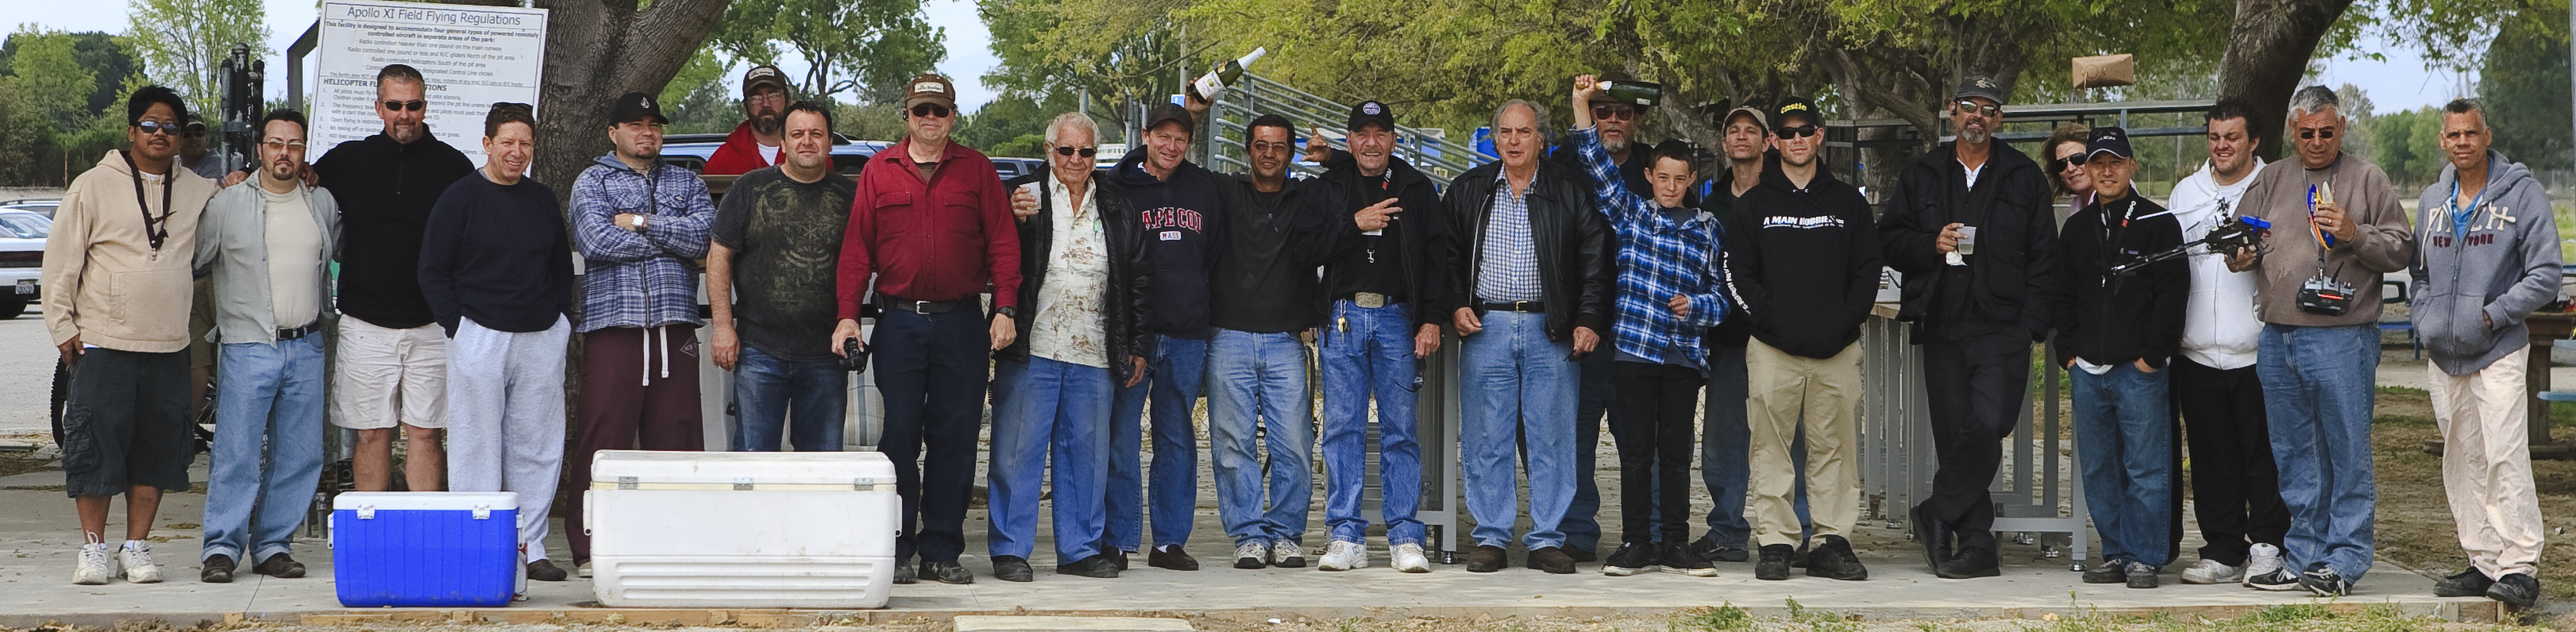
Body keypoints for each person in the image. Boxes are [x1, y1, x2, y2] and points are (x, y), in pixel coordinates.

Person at [831, 73, 1021, 586]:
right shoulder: (879, 171)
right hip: (900, 324)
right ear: (907, 115)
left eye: (939, 111)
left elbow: (1004, 243)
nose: (930, 119)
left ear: (953, 116)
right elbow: (856, 251)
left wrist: (1005, 306)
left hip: (962, 323)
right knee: (898, 437)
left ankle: (941, 550)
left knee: (955, 440)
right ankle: (894, 547)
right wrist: (847, 314)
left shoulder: (977, 170)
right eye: (921, 111)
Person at [2227, 85, 2415, 596]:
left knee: (2347, 451)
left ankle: (2347, 557)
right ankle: (2305, 553)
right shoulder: (2272, 177)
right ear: (2293, 130)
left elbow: (2401, 248)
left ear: (2342, 129)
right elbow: (2241, 240)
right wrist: (2240, 255)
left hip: (2342, 337)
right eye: (2307, 132)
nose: (2316, 141)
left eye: (2326, 132)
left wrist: (2355, 234)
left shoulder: (2367, 178)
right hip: (2279, 335)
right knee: (2294, 453)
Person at [1876, 75, 2057, 580]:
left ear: (1999, 119)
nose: (1977, 115)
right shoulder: (1923, 173)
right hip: (1941, 323)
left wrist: (2031, 326)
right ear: (1952, 111)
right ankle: (1977, 544)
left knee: (1990, 421)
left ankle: (1935, 511)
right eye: (1969, 106)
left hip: (2003, 327)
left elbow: (2045, 256)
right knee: (1956, 434)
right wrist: (1930, 243)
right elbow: (1889, 239)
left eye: (1988, 108)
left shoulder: (2024, 176)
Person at [44, 86, 220, 585]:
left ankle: (137, 546)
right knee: (94, 448)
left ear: (181, 137)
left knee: (156, 451)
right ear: (131, 131)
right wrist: (62, 326)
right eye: (150, 125)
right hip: (103, 343)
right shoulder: (93, 185)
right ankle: (94, 549)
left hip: (169, 345)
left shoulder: (198, 190)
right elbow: (60, 262)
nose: (160, 134)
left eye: (171, 127)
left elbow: (245, 198)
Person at [1569, 74, 1727, 578]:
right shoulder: (1632, 215)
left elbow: (1722, 298)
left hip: (1683, 357)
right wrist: (1581, 104)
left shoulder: (1708, 230)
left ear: (1692, 180)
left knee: (1676, 454)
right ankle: (1636, 542)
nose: (1671, 187)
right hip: (1635, 350)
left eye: (1680, 179)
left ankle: (1675, 543)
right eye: (1663, 178)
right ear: (1650, 177)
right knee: (1635, 453)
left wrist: (1695, 307)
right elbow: (1596, 165)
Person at [1444, 99, 1610, 575]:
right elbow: (1446, 257)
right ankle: (1491, 537)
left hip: (1549, 328)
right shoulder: (1468, 190)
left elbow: (1595, 259)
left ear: (1541, 140)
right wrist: (1455, 303)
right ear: (1495, 138)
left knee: (1552, 438)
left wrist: (1588, 318)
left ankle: (1547, 539)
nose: (1514, 141)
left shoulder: (1569, 190)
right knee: (1486, 438)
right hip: (1487, 327)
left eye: (1524, 132)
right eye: (1505, 132)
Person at [418, 102, 577, 585]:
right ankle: (478, 545)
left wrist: (560, 322)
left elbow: (560, 267)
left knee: (537, 443)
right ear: (487, 144)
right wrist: (458, 327)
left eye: (525, 143)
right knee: (476, 443)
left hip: (540, 335)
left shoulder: (542, 199)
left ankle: (531, 546)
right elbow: (432, 270)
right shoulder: (459, 199)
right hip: (479, 334)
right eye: (507, 142)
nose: (516, 151)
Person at [989, 112, 1153, 581]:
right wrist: (1015, 217)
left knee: (1087, 455)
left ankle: (1079, 549)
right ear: (1049, 151)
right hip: (1033, 344)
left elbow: (1139, 280)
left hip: (1095, 348)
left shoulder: (1117, 205)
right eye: (1066, 150)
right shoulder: (1024, 196)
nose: (1076, 159)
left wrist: (1138, 343)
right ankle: (1010, 550)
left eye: (1086, 151)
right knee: (1017, 453)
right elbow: (996, 253)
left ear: (1096, 155)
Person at [1724, 96, 1880, 582]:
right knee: (1769, 448)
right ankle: (1776, 543)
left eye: (1805, 130)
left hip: (1837, 350)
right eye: (1787, 131)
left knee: (1834, 448)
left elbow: (1868, 270)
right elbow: (1737, 274)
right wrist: (1773, 322)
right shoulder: (1753, 205)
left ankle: (1832, 541)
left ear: (1819, 136)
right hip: (1773, 350)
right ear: (1774, 141)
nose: (1796, 139)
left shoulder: (1848, 202)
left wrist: (1844, 321)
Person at [565, 92, 719, 576]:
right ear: (614, 133)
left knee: (678, 434)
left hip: (674, 325)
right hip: (615, 324)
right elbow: (595, 240)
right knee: (603, 432)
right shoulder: (592, 181)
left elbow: (703, 239)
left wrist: (639, 223)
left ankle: (679, 542)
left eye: (654, 124)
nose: (646, 132)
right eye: (635, 124)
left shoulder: (686, 180)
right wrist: (669, 242)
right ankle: (590, 545)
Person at [2409, 98, 2555, 609]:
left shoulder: (2523, 194)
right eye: (2453, 135)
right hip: (2444, 355)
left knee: (2504, 455)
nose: (2462, 143)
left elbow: (2546, 274)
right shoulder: (2433, 199)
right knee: (2463, 457)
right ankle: (2484, 559)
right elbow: (2419, 273)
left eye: (2470, 133)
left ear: (2487, 135)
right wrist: (2425, 318)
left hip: (2498, 349)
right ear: (2442, 141)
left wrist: (2493, 315)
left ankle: (2520, 566)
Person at [313, 64, 476, 493]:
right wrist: (239, 178)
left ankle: (425, 526)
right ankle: (373, 525)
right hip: (365, 324)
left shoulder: (454, 166)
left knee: (426, 433)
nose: (405, 114)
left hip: (432, 325)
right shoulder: (347, 160)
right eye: (395, 105)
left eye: (413, 105)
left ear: (425, 106)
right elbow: (294, 180)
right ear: (378, 108)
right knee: (370, 433)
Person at [194, 110, 337, 584]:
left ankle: (274, 545)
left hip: (306, 345)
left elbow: (335, 258)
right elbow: (194, 259)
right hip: (247, 346)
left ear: (304, 151)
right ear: (260, 150)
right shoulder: (228, 203)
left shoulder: (321, 203)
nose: (284, 153)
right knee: (236, 452)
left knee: (299, 455)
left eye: (294, 145)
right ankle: (221, 547)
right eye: (275, 144)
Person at [1310, 99, 1452, 574]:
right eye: (1362, 134)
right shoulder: (1330, 186)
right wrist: (1355, 224)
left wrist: (1430, 319)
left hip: (1397, 318)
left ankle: (1405, 537)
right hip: (1343, 316)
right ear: (1349, 141)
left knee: (1401, 432)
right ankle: (1345, 536)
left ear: (1393, 139)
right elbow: (1306, 248)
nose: (1371, 143)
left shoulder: (1415, 187)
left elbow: (1438, 259)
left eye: (1380, 133)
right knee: (1342, 429)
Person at [1198, 114, 1339, 572]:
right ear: (1248, 150)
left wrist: (1331, 157)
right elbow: (1172, 160)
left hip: (1285, 341)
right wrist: (1195, 109)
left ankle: (1286, 535)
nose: (1269, 153)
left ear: (1292, 152)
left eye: (1279, 146)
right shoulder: (1225, 191)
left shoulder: (1308, 195)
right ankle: (1249, 537)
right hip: (1229, 337)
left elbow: (1363, 173)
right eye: (1261, 145)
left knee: (1294, 443)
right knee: (1232, 444)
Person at [2050, 127, 2186, 589]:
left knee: (2146, 467)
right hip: (2088, 369)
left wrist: (2152, 357)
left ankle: (2144, 556)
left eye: (2115, 162)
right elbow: (2063, 295)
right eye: (2098, 163)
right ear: (2087, 170)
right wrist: (2068, 353)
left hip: (2138, 370)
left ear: (2131, 166)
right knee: (2098, 468)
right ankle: (2115, 551)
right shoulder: (2076, 229)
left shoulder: (2158, 222)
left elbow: (2172, 295)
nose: (2106, 172)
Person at [2166, 99, 2289, 588]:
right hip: (2197, 351)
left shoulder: (2274, 187)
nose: (2222, 146)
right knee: (2211, 457)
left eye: (2232, 137)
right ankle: (2222, 548)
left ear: (2253, 141)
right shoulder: (2185, 192)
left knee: (2263, 455)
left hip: (2258, 349)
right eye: (2215, 137)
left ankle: (2268, 545)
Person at [1100, 102, 1221, 571]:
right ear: (1146, 135)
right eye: (1163, 136)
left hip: (1187, 334)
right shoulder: (1118, 184)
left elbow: (1212, 256)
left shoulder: (1203, 188)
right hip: (1135, 334)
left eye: (1181, 139)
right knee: (1122, 438)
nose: (1172, 146)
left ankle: (1169, 541)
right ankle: (1119, 539)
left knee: (1177, 439)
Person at [1693, 100, 1808, 565]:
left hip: (1782, 339)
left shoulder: (1789, 194)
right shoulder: (1708, 205)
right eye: (1733, 130)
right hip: (1728, 339)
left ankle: (1796, 532)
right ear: (1724, 143)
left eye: (1751, 130)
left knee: (1789, 440)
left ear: (1768, 141)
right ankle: (1727, 530)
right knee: (1723, 441)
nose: (1742, 136)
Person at [708, 101, 857, 452]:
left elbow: (867, 259)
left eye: (816, 134)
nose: (807, 141)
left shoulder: (852, 196)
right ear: (784, 143)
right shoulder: (750, 188)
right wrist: (723, 326)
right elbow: (719, 256)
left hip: (826, 352)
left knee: (821, 466)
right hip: (760, 350)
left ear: (830, 142)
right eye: (797, 134)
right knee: (754, 461)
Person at [703, 65, 794, 176]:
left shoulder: (806, 150)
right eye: (756, 97)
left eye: (773, 95)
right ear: (745, 106)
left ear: (788, 101)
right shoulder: (722, 162)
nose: (766, 104)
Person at [2045, 123, 2093, 221]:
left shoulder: (2112, 202)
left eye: (2078, 158)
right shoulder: (2076, 206)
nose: (2070, 168)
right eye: (2061, 164)